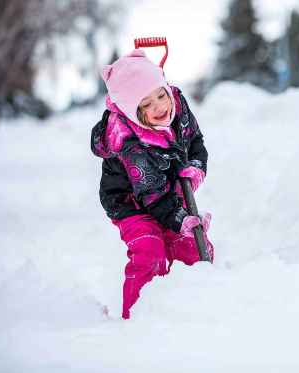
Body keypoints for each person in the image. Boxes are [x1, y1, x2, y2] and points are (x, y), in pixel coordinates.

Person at [90, 49, 213, 320]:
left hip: (165, 192)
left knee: (192, 245)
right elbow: (152, 195)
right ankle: (135, 318)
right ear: (132, 111)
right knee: (151, 252)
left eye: (160, 94)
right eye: (146, 104)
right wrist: (180, 219)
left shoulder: (177, 104)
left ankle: (201, 312)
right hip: (131, 202)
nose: (160, 106)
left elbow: (195, 142)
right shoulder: (127, 140)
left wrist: (195, 169)